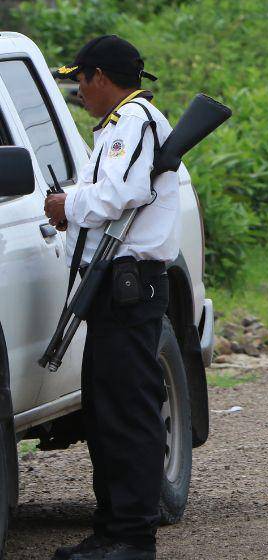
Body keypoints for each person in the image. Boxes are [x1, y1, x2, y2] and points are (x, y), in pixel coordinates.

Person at [44, 35, 179, 560]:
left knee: (127, 411)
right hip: (113, 283)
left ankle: (132, 536)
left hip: (131, 282)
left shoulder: (133, 122)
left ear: (100, 76)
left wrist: (65, 203)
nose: (79, 90)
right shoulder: (119, 126)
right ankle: (111, 530)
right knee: (104, 409)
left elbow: (123, 194)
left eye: (80, 79)